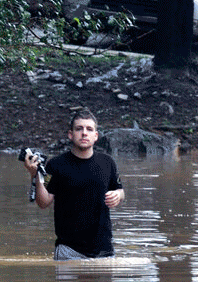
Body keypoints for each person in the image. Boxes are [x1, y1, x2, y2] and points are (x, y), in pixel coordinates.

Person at [23, 108, 124, 260]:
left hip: (104, 250)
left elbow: (120, 190)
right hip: (68, 250)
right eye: (79, 129)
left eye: (89, 129)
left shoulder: (107, 162)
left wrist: (118, 195)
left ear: (95, 136)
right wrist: (36, 175)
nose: (84, 133)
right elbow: (43, 203)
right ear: (70, 134)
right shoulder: (56, 165)